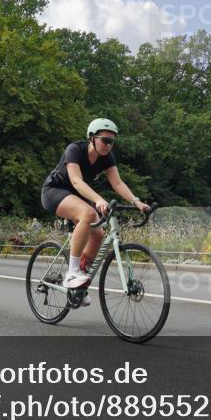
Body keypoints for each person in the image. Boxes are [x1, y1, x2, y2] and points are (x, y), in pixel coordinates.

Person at [40, 118, 149, 306]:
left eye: (112, 141)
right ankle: (72, 272)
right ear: (92, 138)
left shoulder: (107, 157)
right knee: (89, 215)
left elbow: (117, 183)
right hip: (55, 191)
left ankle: (79, 284)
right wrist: (98, 199)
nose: (109, 145)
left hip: (78, 195)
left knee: (98, 232)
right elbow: (76, 181)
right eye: (105, 140)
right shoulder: (74, 149)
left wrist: (136, 201)